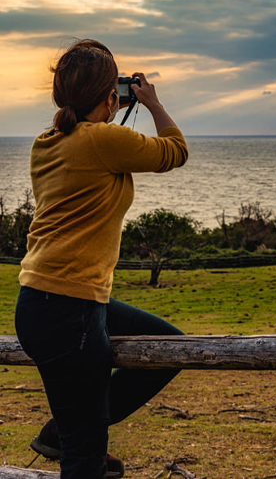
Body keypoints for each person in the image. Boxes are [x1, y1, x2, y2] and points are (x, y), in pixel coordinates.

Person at [14, 39, 189, 479]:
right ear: (112, 96)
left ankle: (64, 431)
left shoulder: (45, 142)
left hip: (43, 303)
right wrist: (151, 102)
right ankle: (73, 434)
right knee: (86, 462)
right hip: (69, 310)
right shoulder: (103, 139)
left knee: (166, 344)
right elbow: (175, 150)